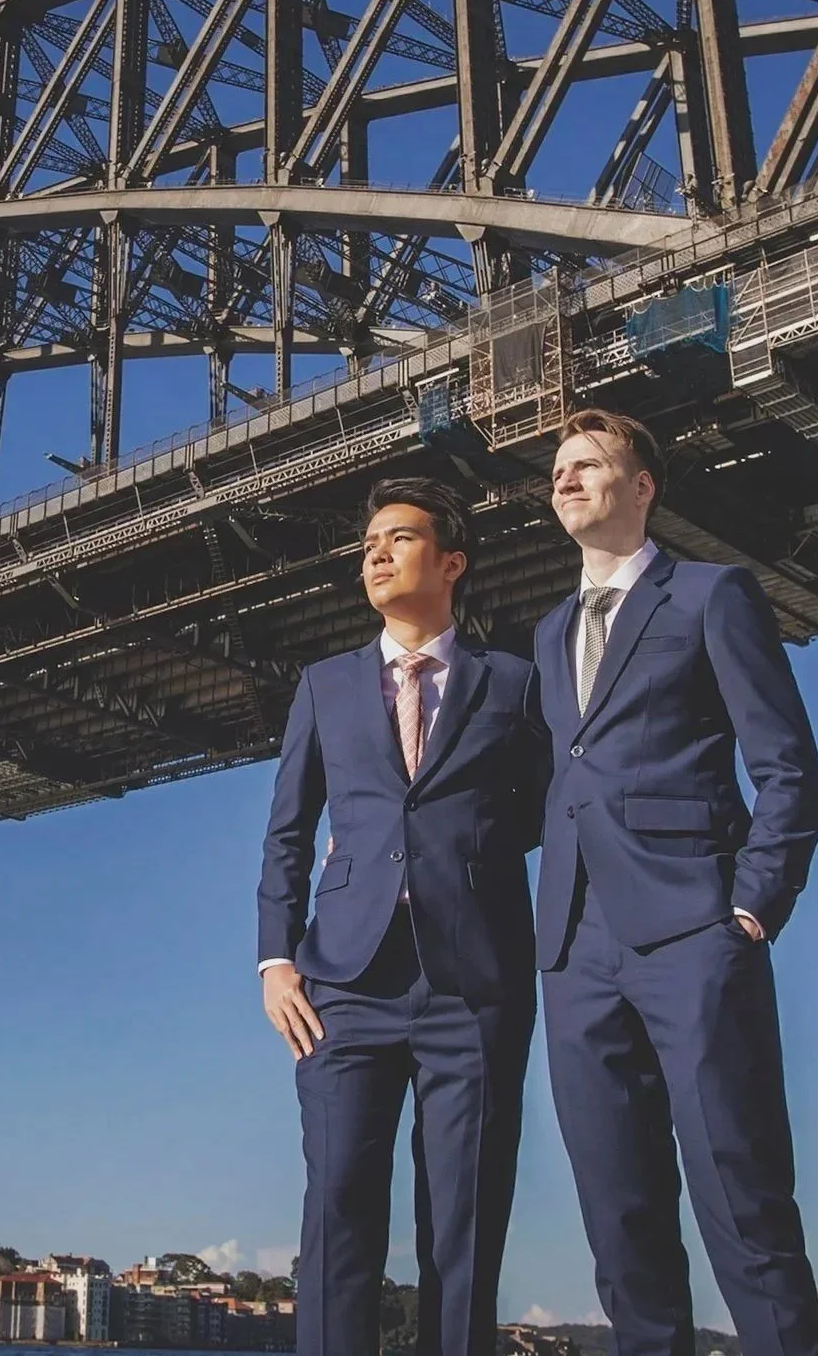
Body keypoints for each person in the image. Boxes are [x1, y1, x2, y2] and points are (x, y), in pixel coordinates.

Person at [533, 407, 818, 1356]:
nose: (565, 480)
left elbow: (786, 765)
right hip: (574, 948)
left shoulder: (711, 595)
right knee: (618, 1224)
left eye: (587, 464)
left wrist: (749, 908)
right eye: (557, 470)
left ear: (642, 486)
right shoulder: (546, 634)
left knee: (741, 1201)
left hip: (693, 931)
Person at [256, 477, 548, 1356]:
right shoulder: (324, 685)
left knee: (463, 1212)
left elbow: (545, 807)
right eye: (368, 543)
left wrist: (462, 854)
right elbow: (286, 831)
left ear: (452, 561)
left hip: (476, 981)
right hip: (343, 983)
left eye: (399, 538)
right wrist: (274, 961)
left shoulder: (515, 682)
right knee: (338, 1197)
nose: (375, 553)